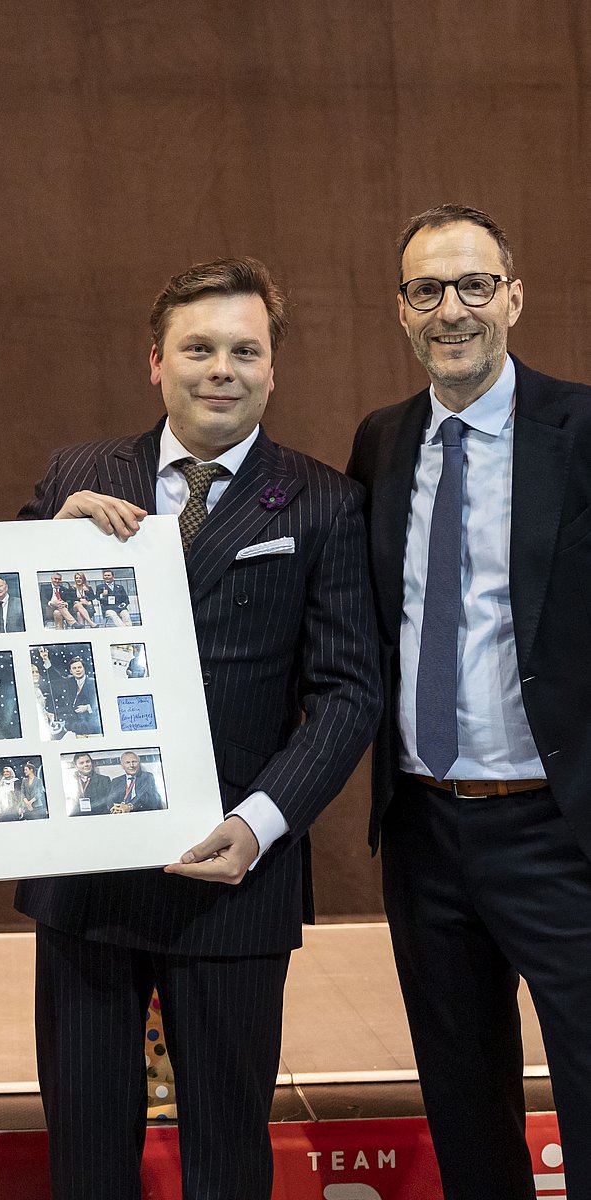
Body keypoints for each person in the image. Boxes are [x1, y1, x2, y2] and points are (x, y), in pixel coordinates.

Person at [15, 256, 380, 1199]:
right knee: (87, 1157)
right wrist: (45, 545)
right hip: (86, 873)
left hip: (234, 875)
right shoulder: (76, 476)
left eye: (245, 351)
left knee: (227, 1159)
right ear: (155, 362)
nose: (222, 368)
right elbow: (8, 644)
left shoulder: (325, 501)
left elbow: (348, 692)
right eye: (199, 348)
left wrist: (261, 823)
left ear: (273, 369)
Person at [346, 204, 591, 1200]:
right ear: (402, 311)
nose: (452, 310)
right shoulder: (382, 442)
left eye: (475, 285)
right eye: (427, 290)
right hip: (425, 835)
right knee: (466, 1114)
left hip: (560, 831)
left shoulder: (583, 430)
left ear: (514, 298)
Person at [61, 655, 102, 736]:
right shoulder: (69, 681)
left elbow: (102, 702)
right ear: (71, 671)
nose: (77, 670)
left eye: (79, 667)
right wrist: (46, 660)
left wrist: (88, 707)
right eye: (74, 668)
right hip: (72, 727)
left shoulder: (94, 683)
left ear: (84, 668)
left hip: (91, 726)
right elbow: (55, 677)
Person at [67, 752, 112, 816]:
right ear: (76, 766)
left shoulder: (104, 780)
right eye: (81, 763)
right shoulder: (70, 782)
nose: (86, 765)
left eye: (88, 761)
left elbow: (109, 803)